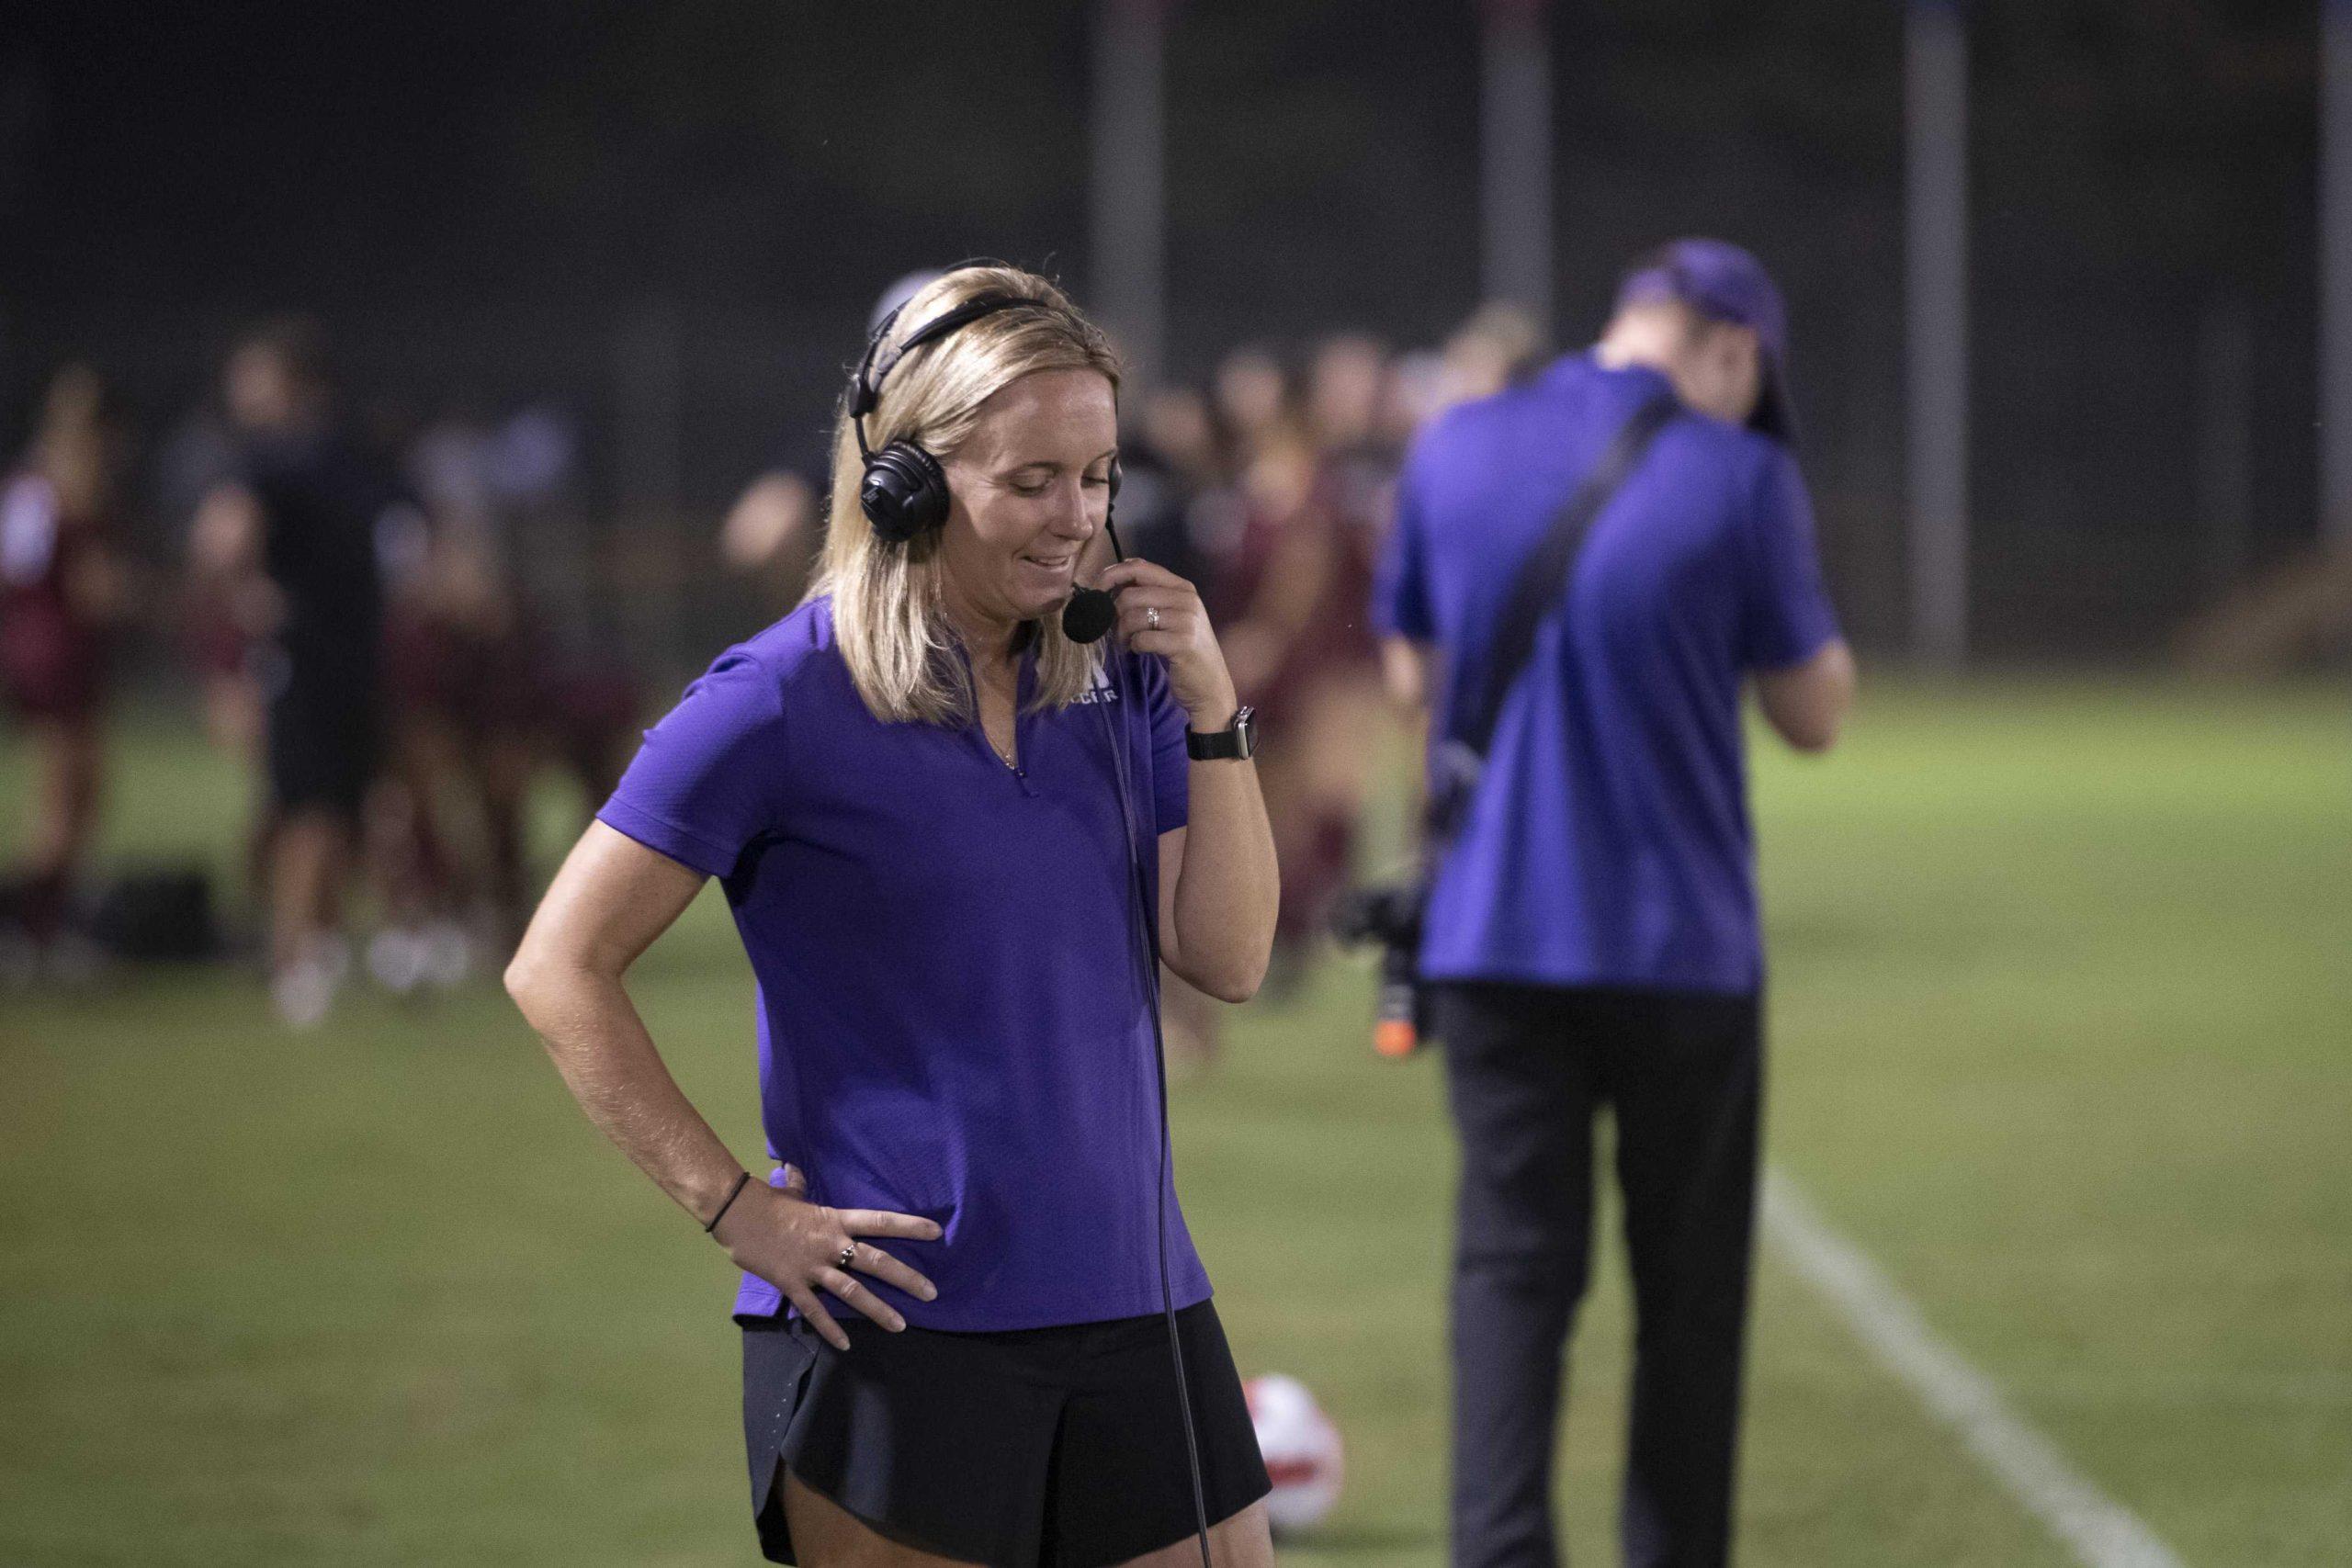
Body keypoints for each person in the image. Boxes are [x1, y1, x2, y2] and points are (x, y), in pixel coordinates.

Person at [504, 265, 1281, 1567]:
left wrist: (1212, 703)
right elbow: (558, 965)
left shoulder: (1124, 678)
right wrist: (737, 1208)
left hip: (1139, 1299)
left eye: (1096, 478)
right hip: (898, 1324)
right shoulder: (776, 697)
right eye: (1031, 479)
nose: (1075, 519)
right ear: (905, 482)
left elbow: (1229, 955)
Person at [1373, 239, 1857, 1568]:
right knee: (1689, 1297)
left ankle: (1500, 1547)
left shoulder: (1456, 442)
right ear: (1732, 353)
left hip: (1489, 932)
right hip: (1678, 942)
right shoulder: (1744, 470)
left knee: (1512, 1272)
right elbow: (1812, 712)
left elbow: (1412, 674)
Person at [192, 320, 409, 1026]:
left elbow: (221, 541)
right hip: (323, 658)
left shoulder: (294, 460)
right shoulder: (324, 458)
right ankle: (293, 958)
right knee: (313, 812)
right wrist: (246, 602)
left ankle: (312, 952)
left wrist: (243, 591)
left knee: (332, 809)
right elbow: (222, 542)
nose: (243, 395)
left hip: (331, 657)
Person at [1, 365, 130, 970]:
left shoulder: (48, 490)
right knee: (62, 797)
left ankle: (49, 923)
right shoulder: (54, 493)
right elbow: (77, 586)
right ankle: (33, 929)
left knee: (82, 793)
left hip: (58, 652)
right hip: (53, 653)